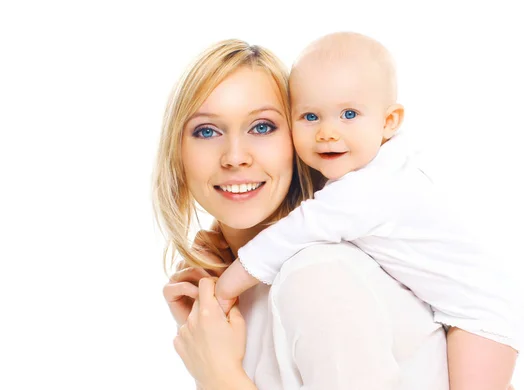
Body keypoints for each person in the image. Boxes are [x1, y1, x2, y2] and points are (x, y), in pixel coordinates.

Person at [155, 39, 450, 389]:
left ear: (297, 138)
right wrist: (206, 333)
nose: (235, 156)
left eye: (262, 127)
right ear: (178, 151)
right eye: (207, 131)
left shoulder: (317, 276)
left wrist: (219, 376)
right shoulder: (242, 292)